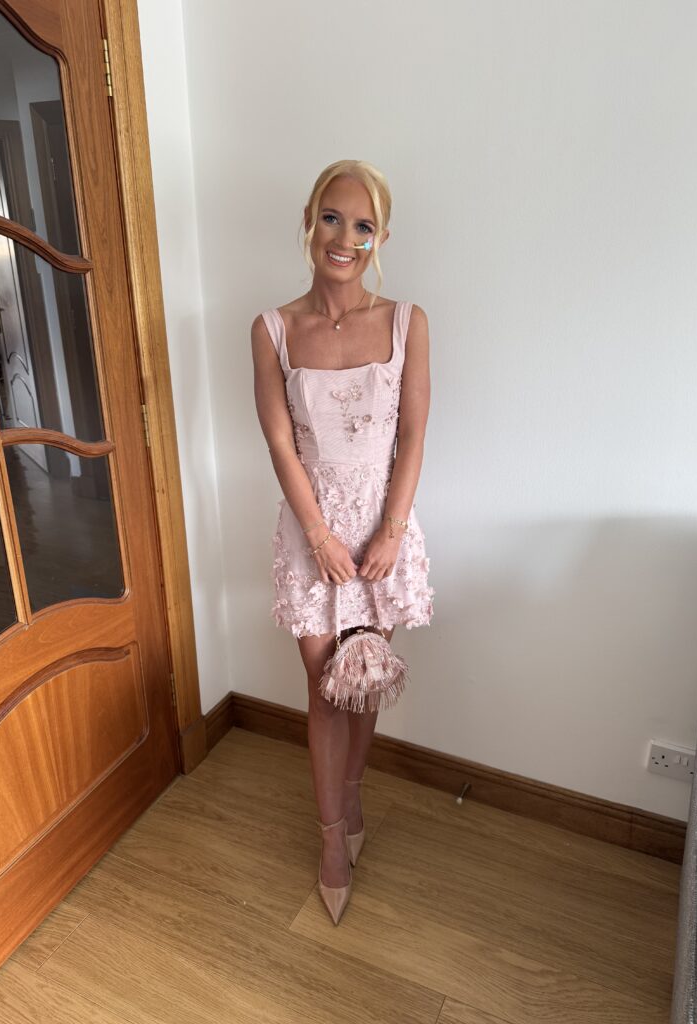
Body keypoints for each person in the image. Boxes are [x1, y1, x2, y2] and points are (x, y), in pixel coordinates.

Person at [251, 159, 434, 925]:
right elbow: (279, 442)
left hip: (382, 532)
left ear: (381, 236)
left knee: (364, 678)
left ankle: (353, 796)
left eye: (362, 225)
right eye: (333, 217)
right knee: (325, 687)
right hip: (313, 534)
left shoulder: (406, 322)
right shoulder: (272, 329)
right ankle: (331, 839)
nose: (345, 237)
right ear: (310, 218)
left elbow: (415, 432)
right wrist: (320, 537)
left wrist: (390, 530)